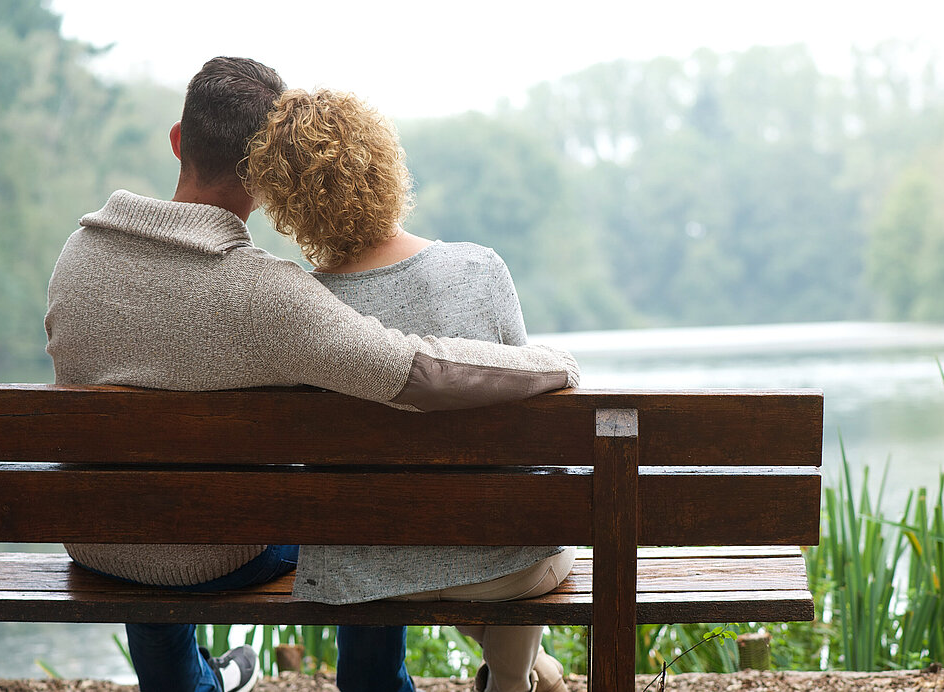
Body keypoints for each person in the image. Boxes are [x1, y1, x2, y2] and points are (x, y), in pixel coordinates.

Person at [44, 57, 579, 692]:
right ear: (268, 174)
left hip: (98, 539)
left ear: (178, 141)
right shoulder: (267, 294)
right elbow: (418, 373)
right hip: (224, 554)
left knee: (140, 506)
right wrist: (550, 363)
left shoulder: (77, 257)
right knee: (353, 509)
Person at [244, 88, 573, 692]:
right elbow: (531, 416)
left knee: (421, 550)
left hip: (363, 570)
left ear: (287, 203)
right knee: (510, 539)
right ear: (385, 166)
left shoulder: (299, 308)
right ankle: (514, 678)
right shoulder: (479, 269)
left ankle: (523, 673)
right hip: (502, 564)